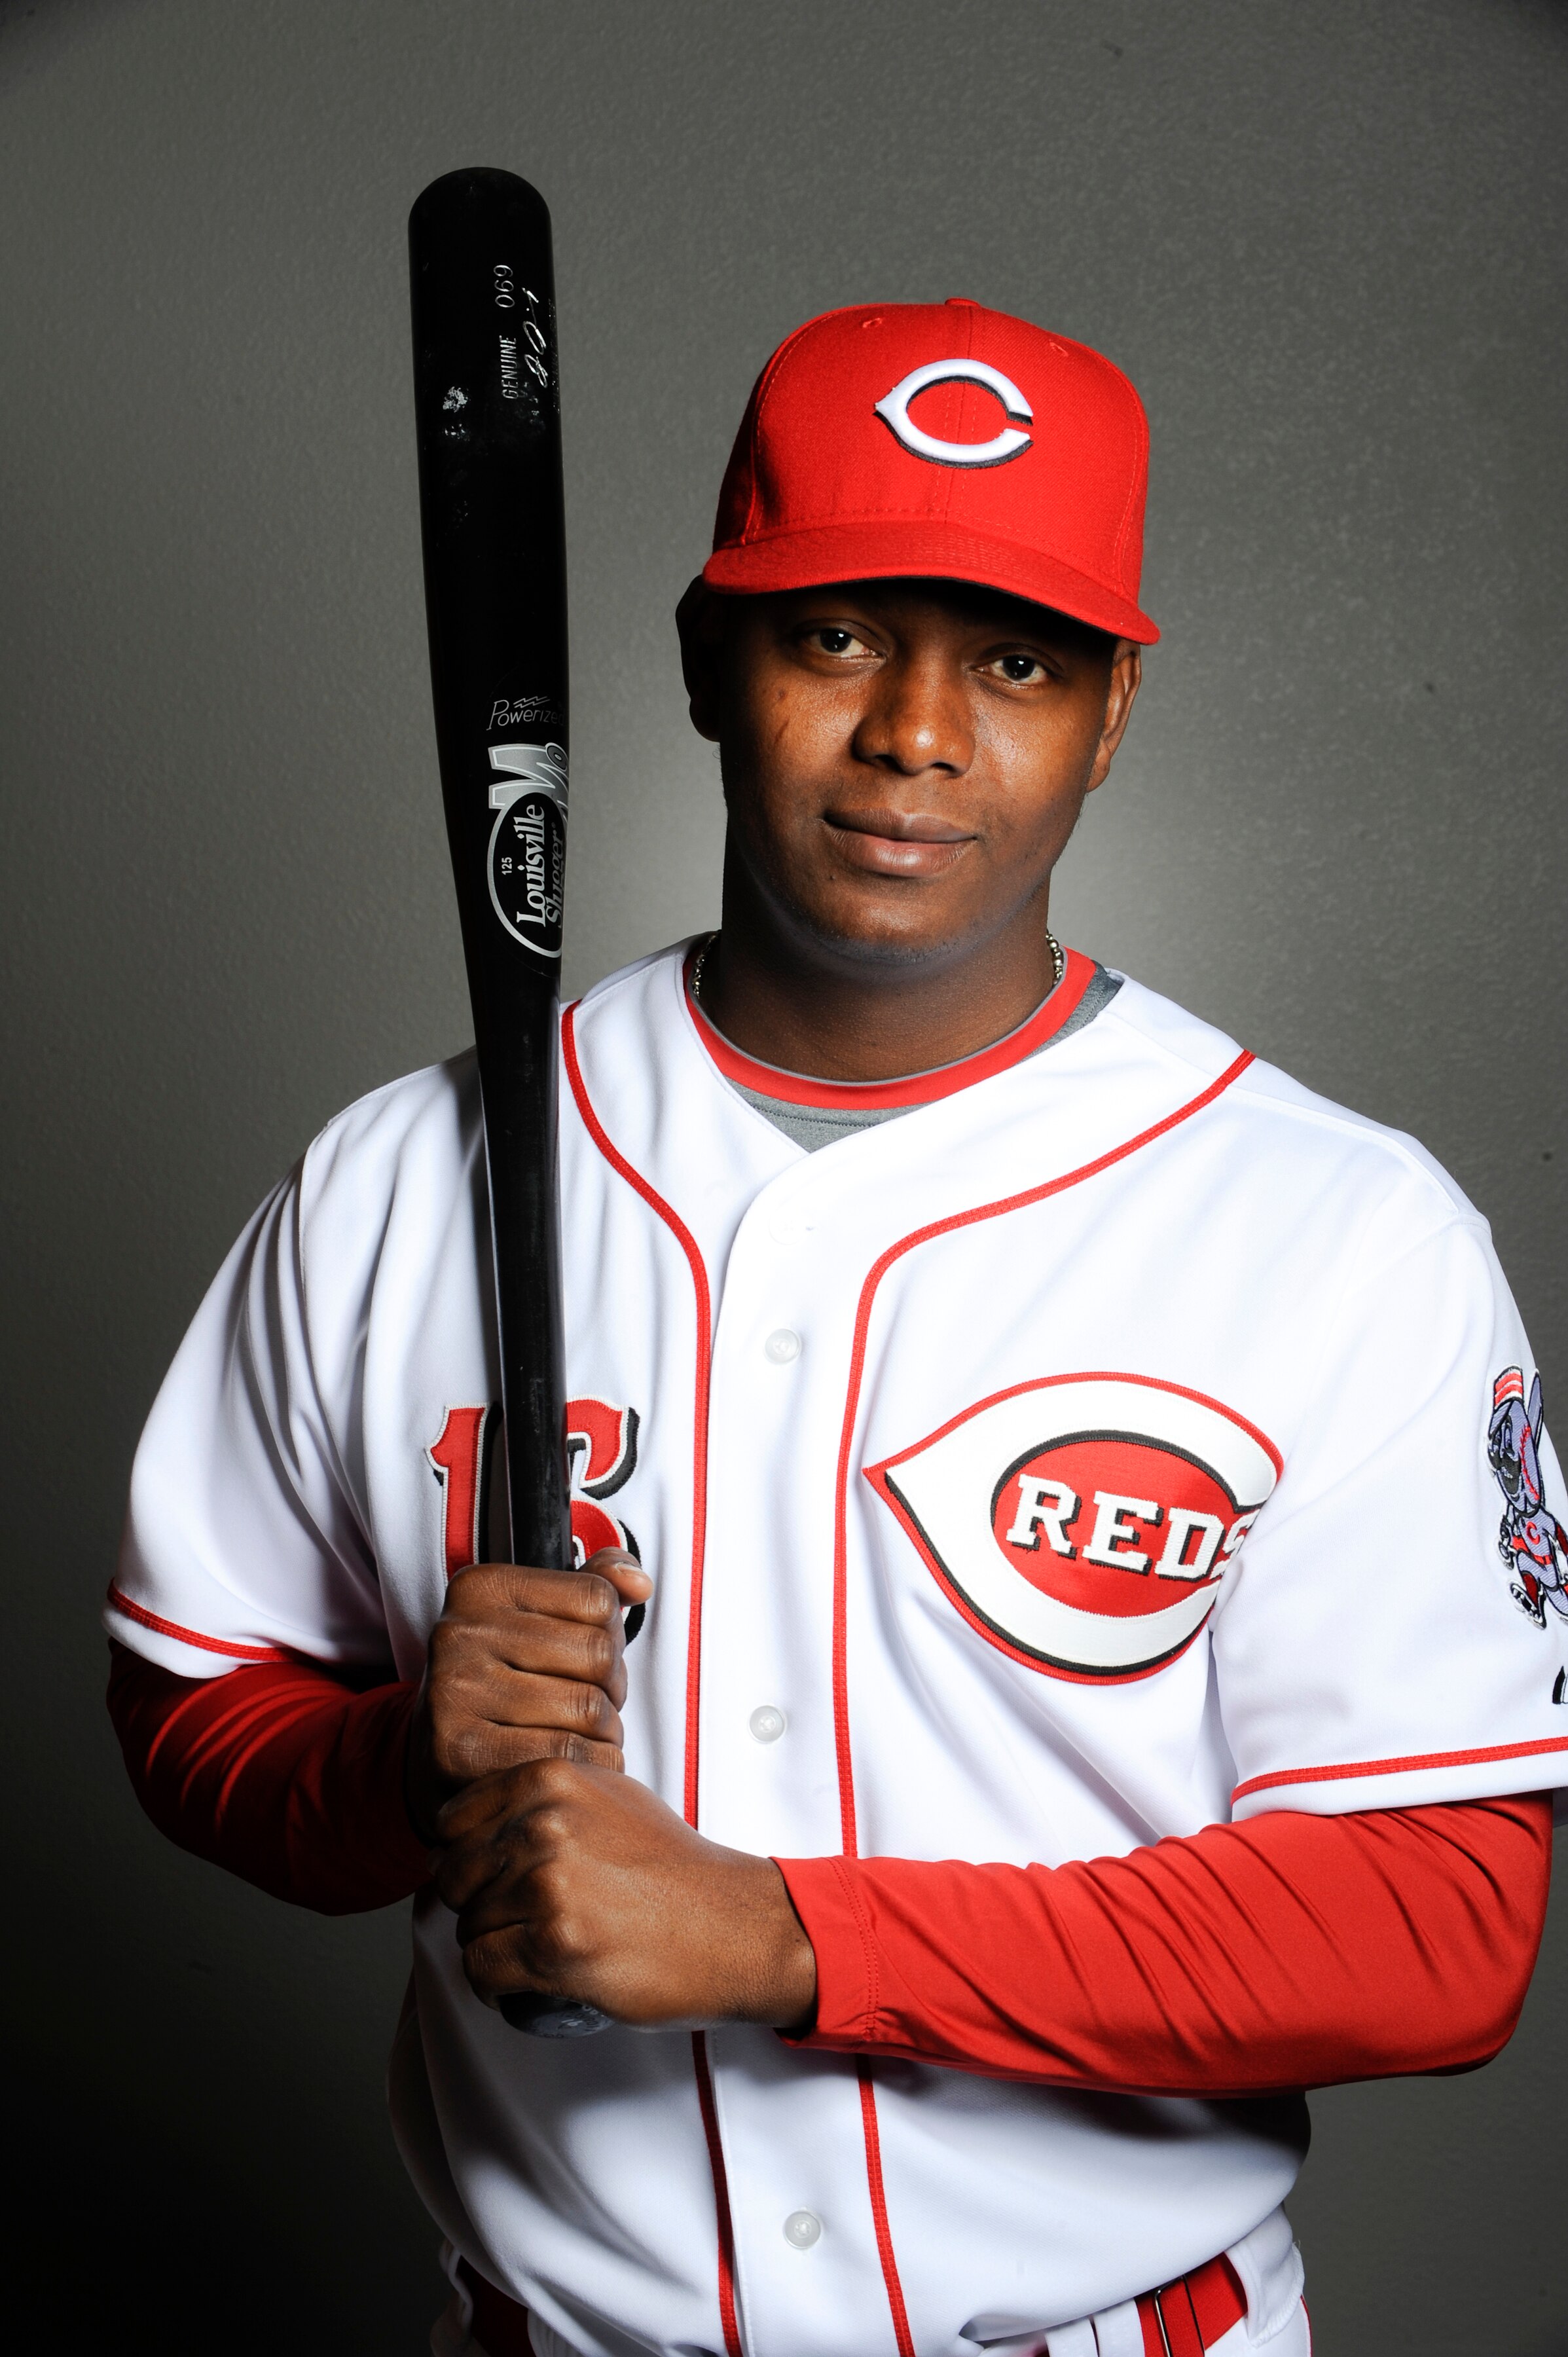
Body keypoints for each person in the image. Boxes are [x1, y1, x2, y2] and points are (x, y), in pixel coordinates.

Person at [107, 299, 1566, 2357]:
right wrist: (396, 1767)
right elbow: (193, 1697)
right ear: (710, 659)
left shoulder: (1334, 1225)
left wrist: (784, 1934)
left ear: (1114, 708)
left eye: (1018, 661)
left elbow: (1438, 1925)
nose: (916, 734)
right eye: (837, 636)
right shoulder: (395, 1177)